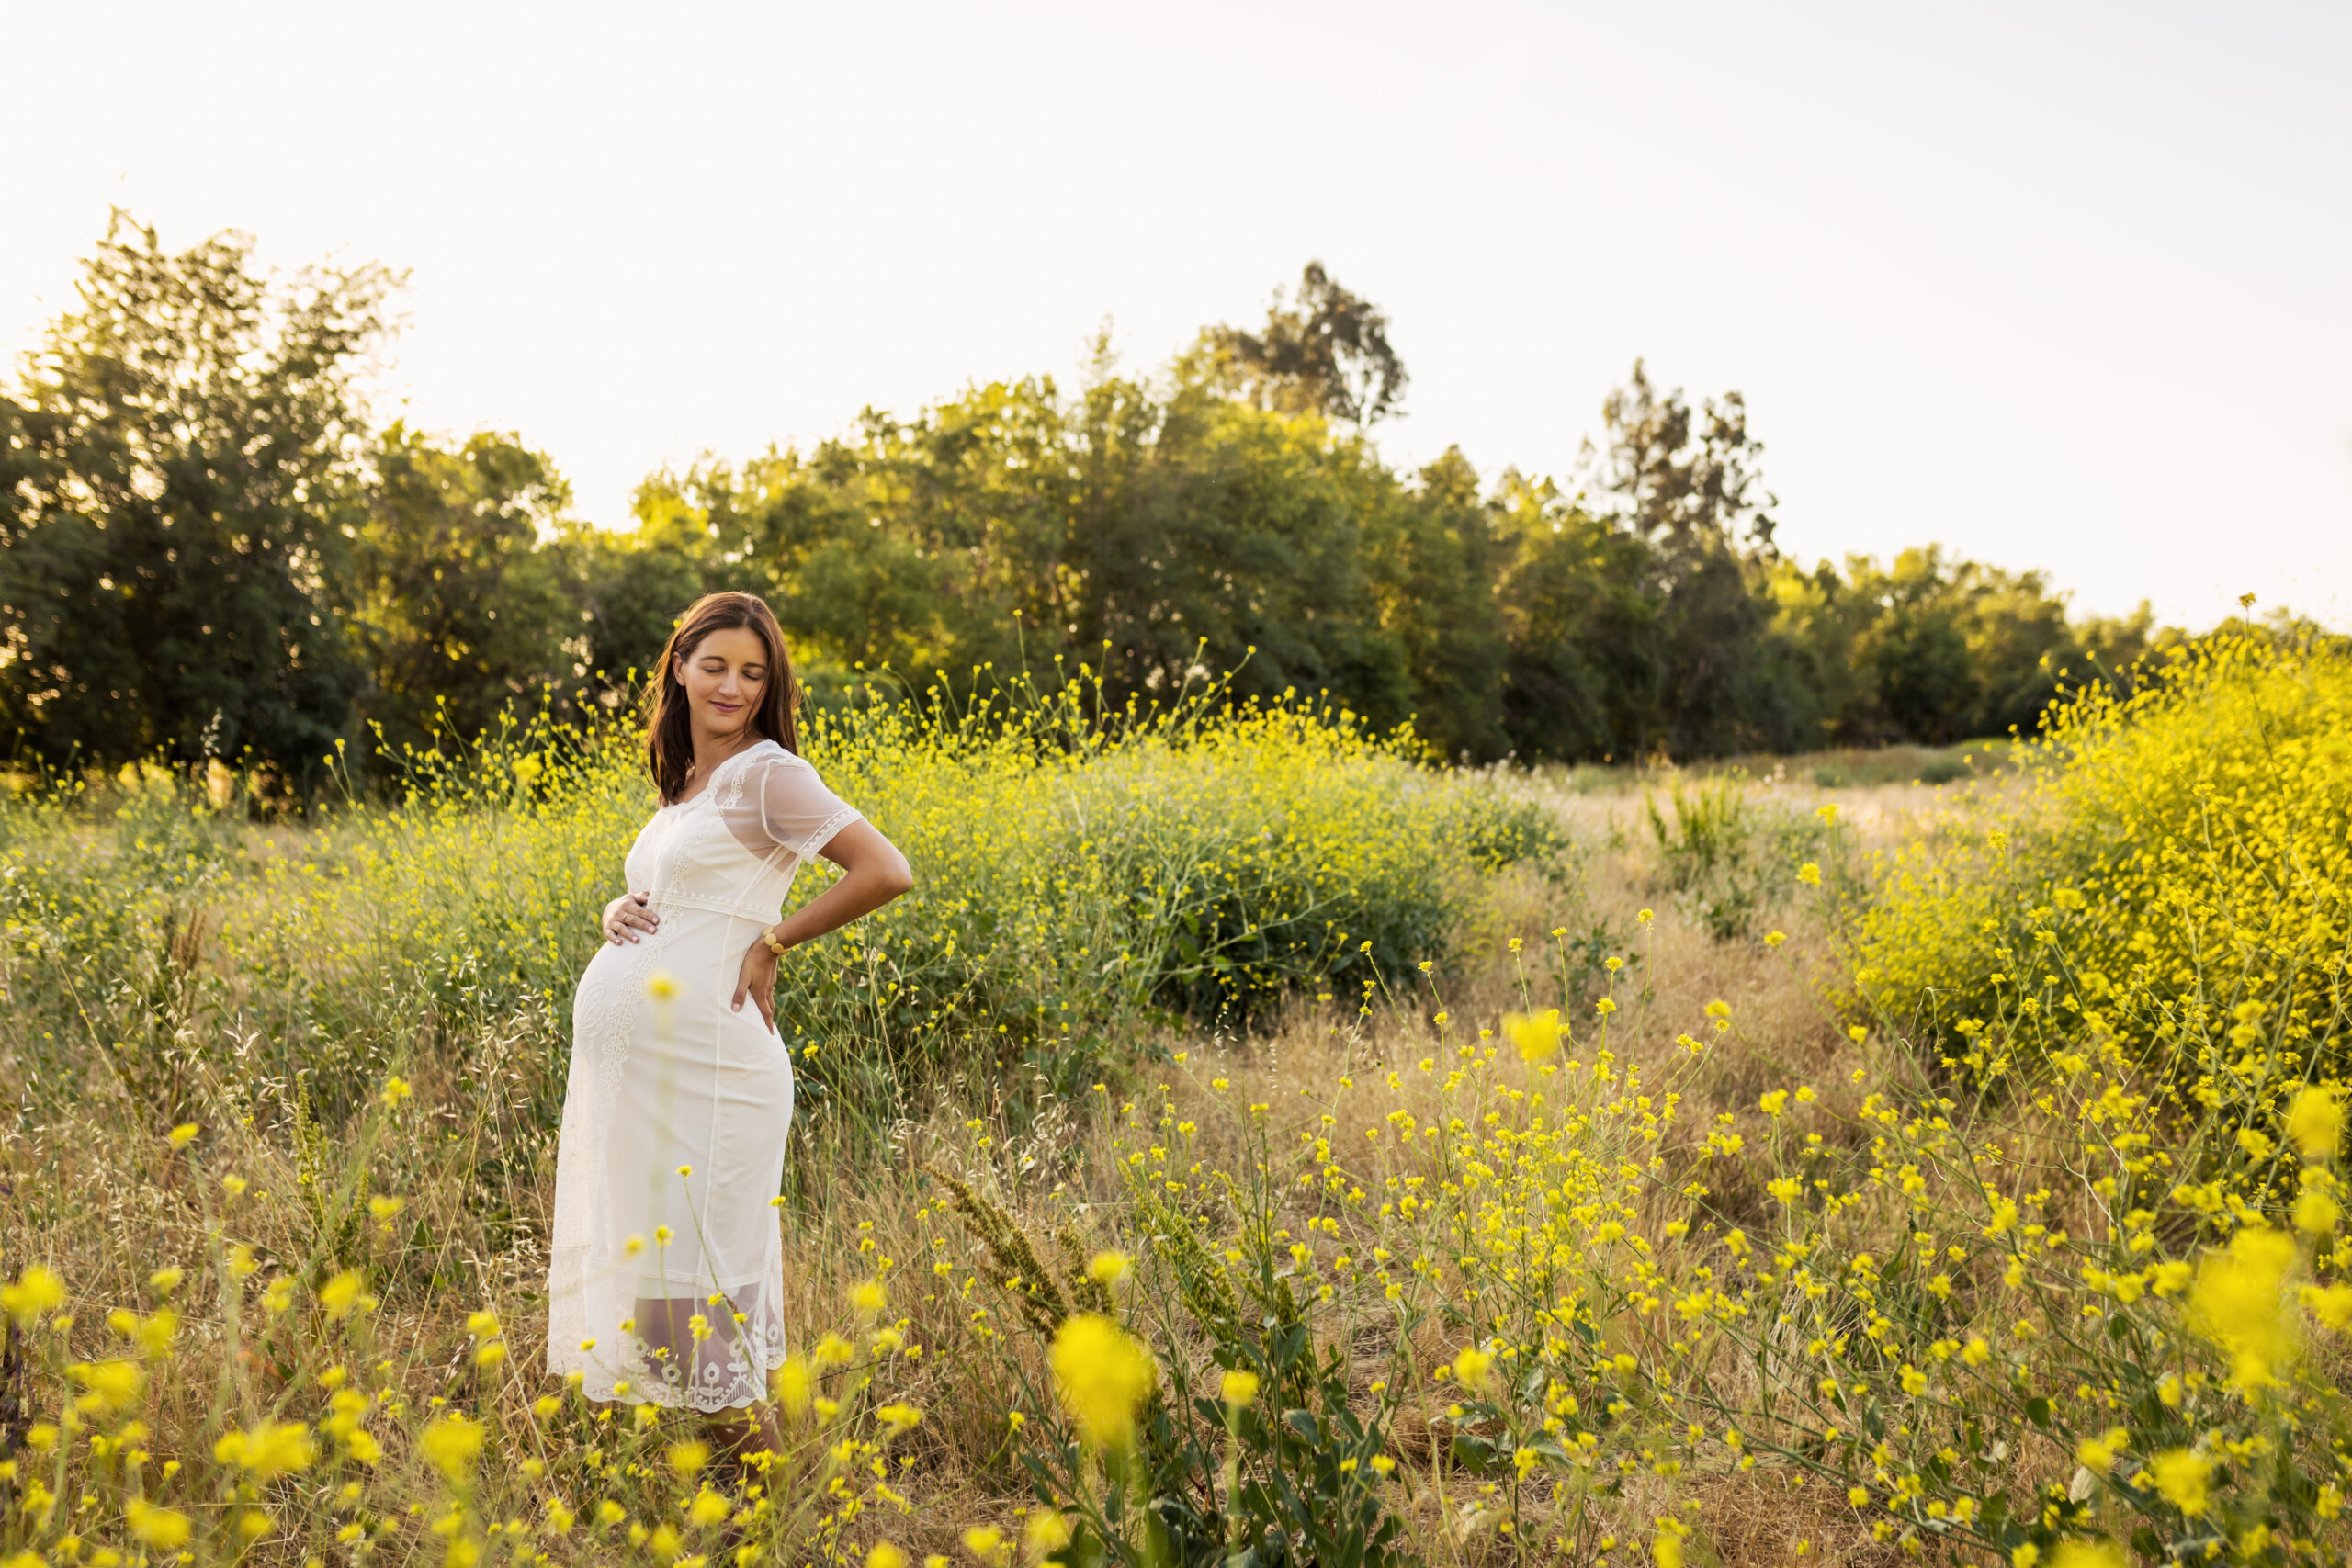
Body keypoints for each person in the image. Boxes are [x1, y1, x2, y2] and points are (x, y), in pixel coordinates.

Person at [546, 592, 912, 1458]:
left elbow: (884, 869)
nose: (732, 686)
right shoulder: (687, 782)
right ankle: (694, 1492)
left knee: (700, 1288)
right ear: (679, 665)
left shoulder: (767, 772)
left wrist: (777, 939)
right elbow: (687, 891)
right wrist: (619, 910)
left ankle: (765, 1496)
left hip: (712, 1069)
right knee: (655, 1279)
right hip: (645, 1075)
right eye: (715, 666)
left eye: (753, 672)